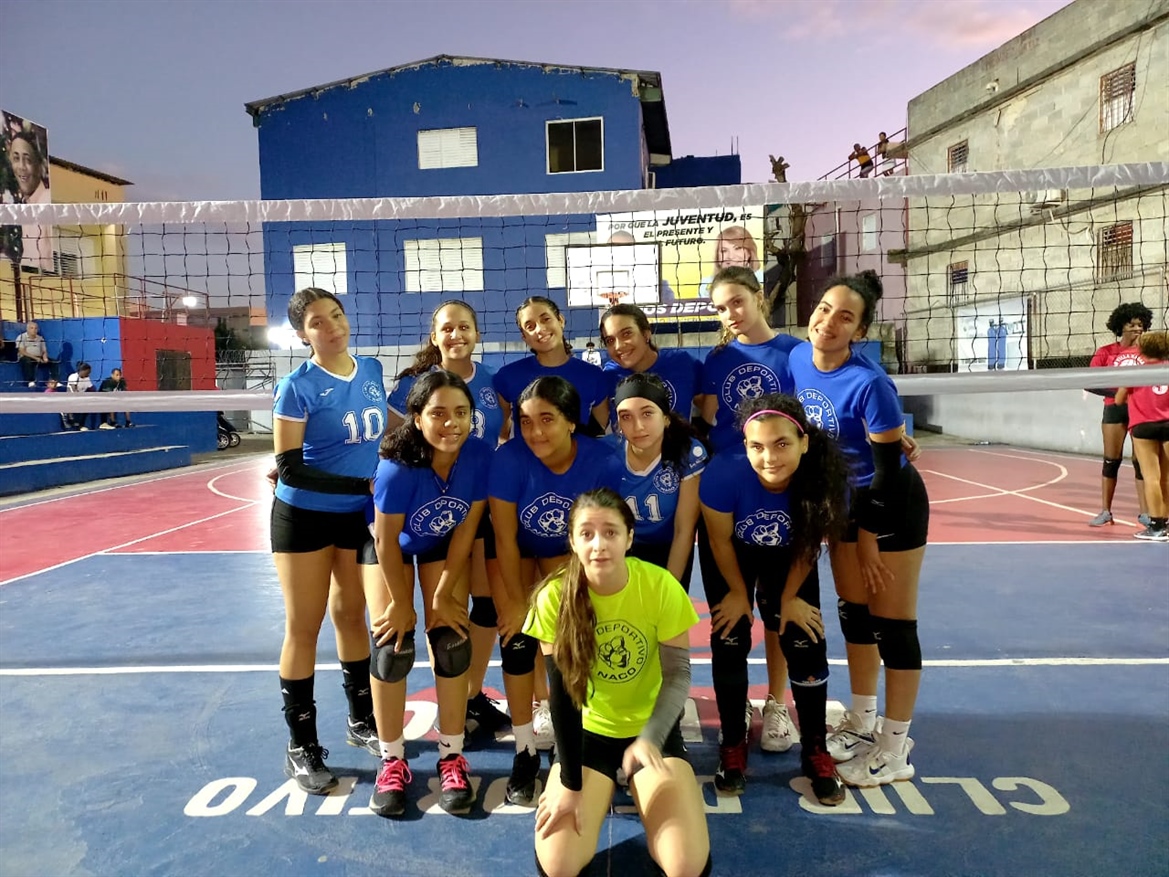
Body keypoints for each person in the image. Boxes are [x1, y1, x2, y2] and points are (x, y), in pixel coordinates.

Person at [788, 270, 930, 787]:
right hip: (839, 508)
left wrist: (869, 534)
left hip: (887, 507)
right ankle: (863, 719)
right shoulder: (797, 357)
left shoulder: (870, 382)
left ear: (860, 331)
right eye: (824, 308)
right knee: (854, 615)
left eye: (844, 316)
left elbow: (889, 471)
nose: (828, 321)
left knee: (894, 625)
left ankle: (895, 747)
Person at [525, 488, 711, 877]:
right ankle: (598, 786)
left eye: (610, 532)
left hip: (650, 732)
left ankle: (630, 784)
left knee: (685, 866)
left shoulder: (659, 586)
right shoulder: (553, 597)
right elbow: (561, 698)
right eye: (587, 533)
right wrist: (569, 782)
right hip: (586, 737)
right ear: (572, 541)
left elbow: (678, 676)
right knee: (559, 864)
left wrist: (651, 738)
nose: (598, 545)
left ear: (628, 538)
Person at [700, 394, 851, 802]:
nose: (769, 457)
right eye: (757, 446)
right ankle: (733, 743)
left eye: (782, 444)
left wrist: (787, 599)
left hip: (788, 555)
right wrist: (737, 593)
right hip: (732, 553)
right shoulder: (723, 474)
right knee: (729, 636)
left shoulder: (821, 478)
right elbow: (718, 539)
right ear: (745, 447)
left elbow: (807, 544)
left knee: (805, 639)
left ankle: (816, 750)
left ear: (804, 441)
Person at [362, 370, 493, 816]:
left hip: (440, 541)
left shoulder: (477, 455)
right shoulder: (397, 467)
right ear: (417, 418)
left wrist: (439, 596)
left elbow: (467, 528)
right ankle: (392, 761)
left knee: (452, 640)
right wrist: (402, 603)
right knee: (391, 647)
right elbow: (385, 540)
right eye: (438, 413)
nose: (451, 423)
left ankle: (451, 755)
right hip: (387, 547)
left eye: (461, 413)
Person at [487, 376, 624, 805]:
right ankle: (525, 748)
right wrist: (516, 604)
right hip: (514, 550)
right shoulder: (509, 460)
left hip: (567, 553)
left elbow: (601, 533)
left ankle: (591, 736)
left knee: (574, 636)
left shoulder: (602, 459)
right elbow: (506, 539)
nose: (535, 432)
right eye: (526, 422)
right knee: (516, 638)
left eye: (547, 420)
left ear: (572, 422)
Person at [270, 287, 384, 795]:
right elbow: (290, 467)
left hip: (356, 519)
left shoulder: (374, 370)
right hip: (306, 518)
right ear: (302, 334)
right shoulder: (297, 386)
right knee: (304, 627)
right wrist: (362, 486)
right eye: (318, 322)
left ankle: (362, 721)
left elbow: (390, 428)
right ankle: (301, 744)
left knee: (352, 614)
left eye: (336, 314)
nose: (332, 326)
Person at [387, 300, 511, 740]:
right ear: (434, 337)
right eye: (447, 329)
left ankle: (471, 694)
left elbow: (505, 438)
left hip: (479, 506)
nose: (456, 335)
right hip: (426, 512)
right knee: (439, 620)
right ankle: (439, 711)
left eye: (465, 327)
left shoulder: (495, 384)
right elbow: (391, 444)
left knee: (487, 605)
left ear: (476, 333)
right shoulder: (412, 387)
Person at [698, 265, 800, 753]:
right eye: (720, 307)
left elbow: (815, 411)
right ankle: (736, 701)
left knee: (778, 611)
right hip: (726, 498)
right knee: (730, 611)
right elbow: (704, 419)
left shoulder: (793, 354)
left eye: (737, 301)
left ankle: (777, 703)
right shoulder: (718, 359)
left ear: (760, 298)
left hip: (779, 494)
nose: (730, 313)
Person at [613, 373, 706, 591]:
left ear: (665, 418)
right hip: (622, 548)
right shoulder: (607, 455)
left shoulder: (687, 453)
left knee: (667, 617)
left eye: (647, 414)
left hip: (670, 545)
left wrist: (669, 590)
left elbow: (685, 530)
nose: (637, 426)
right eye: (626, 417)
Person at [494, 296, 611, 438]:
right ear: (524, 337)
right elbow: (501, 432)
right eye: (530, 326)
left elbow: (599, 429)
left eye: (546, 319)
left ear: (560, 320)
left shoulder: (593, 375)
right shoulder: (508, 376)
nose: (540, 329)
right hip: (526, 459)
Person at [1087, 302, 1154, 527]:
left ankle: (1145, 512)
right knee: (1111, 461)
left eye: (1141, 325)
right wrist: (1119, 393)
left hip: (1141, 410)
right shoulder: (1106, 352)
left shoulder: (1148, 353)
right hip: (1114, 408)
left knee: (1140, 462)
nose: (1138, 329)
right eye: (1132, 324)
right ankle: (1106, 511)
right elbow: (1090, 383)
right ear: (1120, 326)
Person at [600, 303, 703, 423]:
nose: (619, 346)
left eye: (627, 334)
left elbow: (709, 404)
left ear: (646, 333)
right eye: (610, 340)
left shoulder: (683, 363)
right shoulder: (608, 375)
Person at [1115, 331, 1169, 542]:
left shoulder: (1134, 372)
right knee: (1165, 478)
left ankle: (1155, 527)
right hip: (1168, 425)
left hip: (1144, 427)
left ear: (1143, 350)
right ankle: (1165, 523)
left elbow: (1119, 400)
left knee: (1151, 478)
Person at [6, 129, 52, 271]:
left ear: (39, 166)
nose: (21, 167)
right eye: (16, 158)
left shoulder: (45, 205)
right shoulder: (27, 207)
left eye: (28, 160)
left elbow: (46, 264)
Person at [697, 227, 764, 299]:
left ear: (749, 252)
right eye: (724, 251)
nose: (731, 256)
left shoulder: (764, 278)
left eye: (737, 248)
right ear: (717, 256)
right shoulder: (706, 283)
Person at [16, 320, 58, 387]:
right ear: (27, 329)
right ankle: (30, 381)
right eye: (32, 328)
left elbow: (44, 351)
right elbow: (22, 351)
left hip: (39, 357)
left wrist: (45, 357)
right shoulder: (21, 337)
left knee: (54, 362)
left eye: (36, 328)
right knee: (27, 361)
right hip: (26, 357)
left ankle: (54, 381)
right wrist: (36, 358)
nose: (34, 330)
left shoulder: (40, 338)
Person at [64, 362, 99, 431]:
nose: (88, 374)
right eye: (88, 372)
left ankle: (81, 425)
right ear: (82, 370)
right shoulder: (73, 376)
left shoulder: (87, 378)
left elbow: (91, 388)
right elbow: (74, 390)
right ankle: (71, 419)